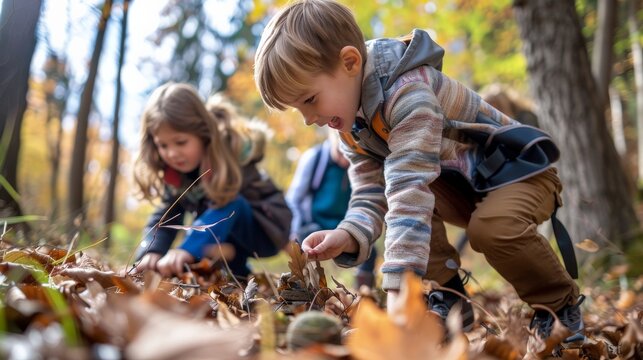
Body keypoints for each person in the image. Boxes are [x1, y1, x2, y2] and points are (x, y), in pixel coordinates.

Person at [253, 0, 584, 343]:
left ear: (350, 62)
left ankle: (558, 310)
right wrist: (349, 233)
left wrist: (399, 293)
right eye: (298, 109)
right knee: (417, 203)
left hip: (519, 174)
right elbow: (371, 190)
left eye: (309, 100)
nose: (308, 119)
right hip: (463, 187)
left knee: (487, 228)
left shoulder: (408, 92)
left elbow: (409, 190)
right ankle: (450, 301)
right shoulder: (350, 127)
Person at [132, 83, 291, 280]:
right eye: (162, 145)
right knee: (204, 230)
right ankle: (237, 272)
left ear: (203, 134)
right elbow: (167, 215)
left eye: (180, 142)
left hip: (264, 228)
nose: (172, 153)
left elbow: (231, 206)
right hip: (225, 231)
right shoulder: (175, 173)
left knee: (228, 204)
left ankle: (201, 252)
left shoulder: (228, 156)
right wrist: (151, 251)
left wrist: (186, 249)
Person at [286, 130, 378, 288]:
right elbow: (294, 199)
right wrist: (294, 230)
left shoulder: (359, 166)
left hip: (343, 226)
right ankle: (300, 292)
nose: (344, 160)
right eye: (340, 153)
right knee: (303, 245)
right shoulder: (314, 158)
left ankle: (365, 296)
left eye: (348, 155)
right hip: (315, 224)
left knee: (370, 251)